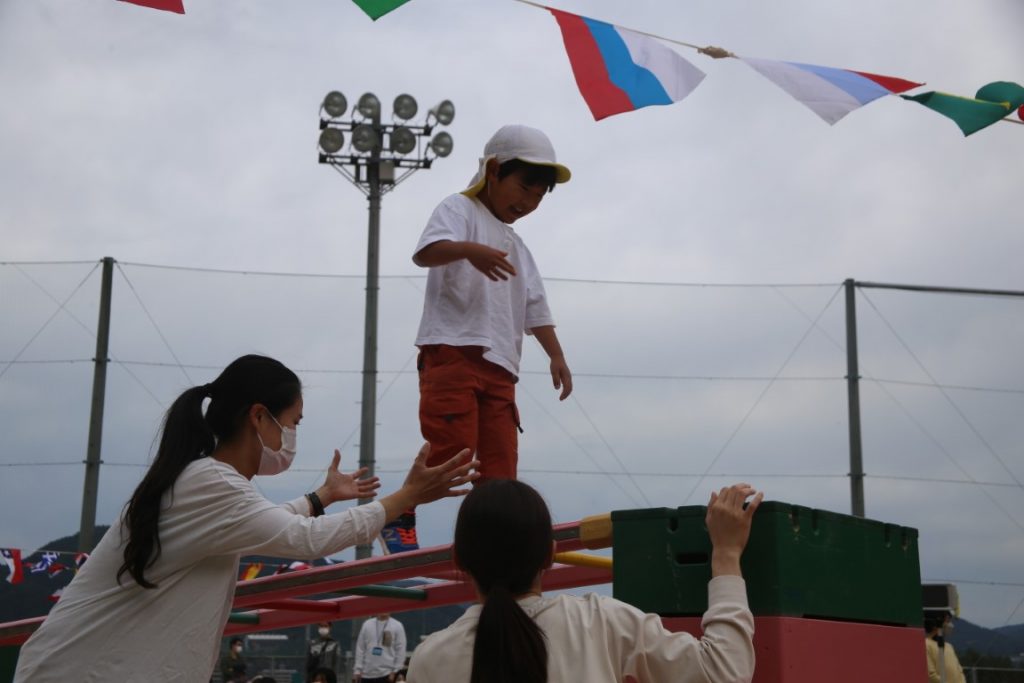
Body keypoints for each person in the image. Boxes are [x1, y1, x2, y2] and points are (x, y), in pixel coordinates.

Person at [14, 354, 479, 682]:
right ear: (259, 417)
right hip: (80, 670)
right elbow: (305, 540)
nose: (293, 436)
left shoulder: (206, 481)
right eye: (293, 422)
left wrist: (320, 497)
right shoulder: (211, 482)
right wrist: (404, 499)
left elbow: (266, 521)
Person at [382, 124, 573, 552]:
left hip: (502, 368)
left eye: (539, 196)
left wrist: (556, 355)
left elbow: (536, 307)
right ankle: (398, 511)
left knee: (500, 472)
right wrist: (470, 250)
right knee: (453, 454)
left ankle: (495, 544)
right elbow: (425, 252)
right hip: (452, 350)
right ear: (493, 170)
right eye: (523, 188)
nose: (528, 202)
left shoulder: (519, 247)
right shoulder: (460, 209)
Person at [407, 479, 762, 683]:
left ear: (458, 560)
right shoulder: (599, 621)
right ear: (550, 555)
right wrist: (726, 553)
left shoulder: (429, 659)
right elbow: (723, 673)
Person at [354, 613, 407, 683]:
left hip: (387, 674)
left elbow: (400, 650)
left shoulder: (397, 626)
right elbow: (360, 648)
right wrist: (358, 670)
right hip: (366, 674)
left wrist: (395, 671)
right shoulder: (367, 624)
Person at [925, 609, 966, 683]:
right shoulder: (926, 644)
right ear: (934, 624)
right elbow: (931, 675)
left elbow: (960, 671)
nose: (950, 625)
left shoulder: (949, 646)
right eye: (947, 621)